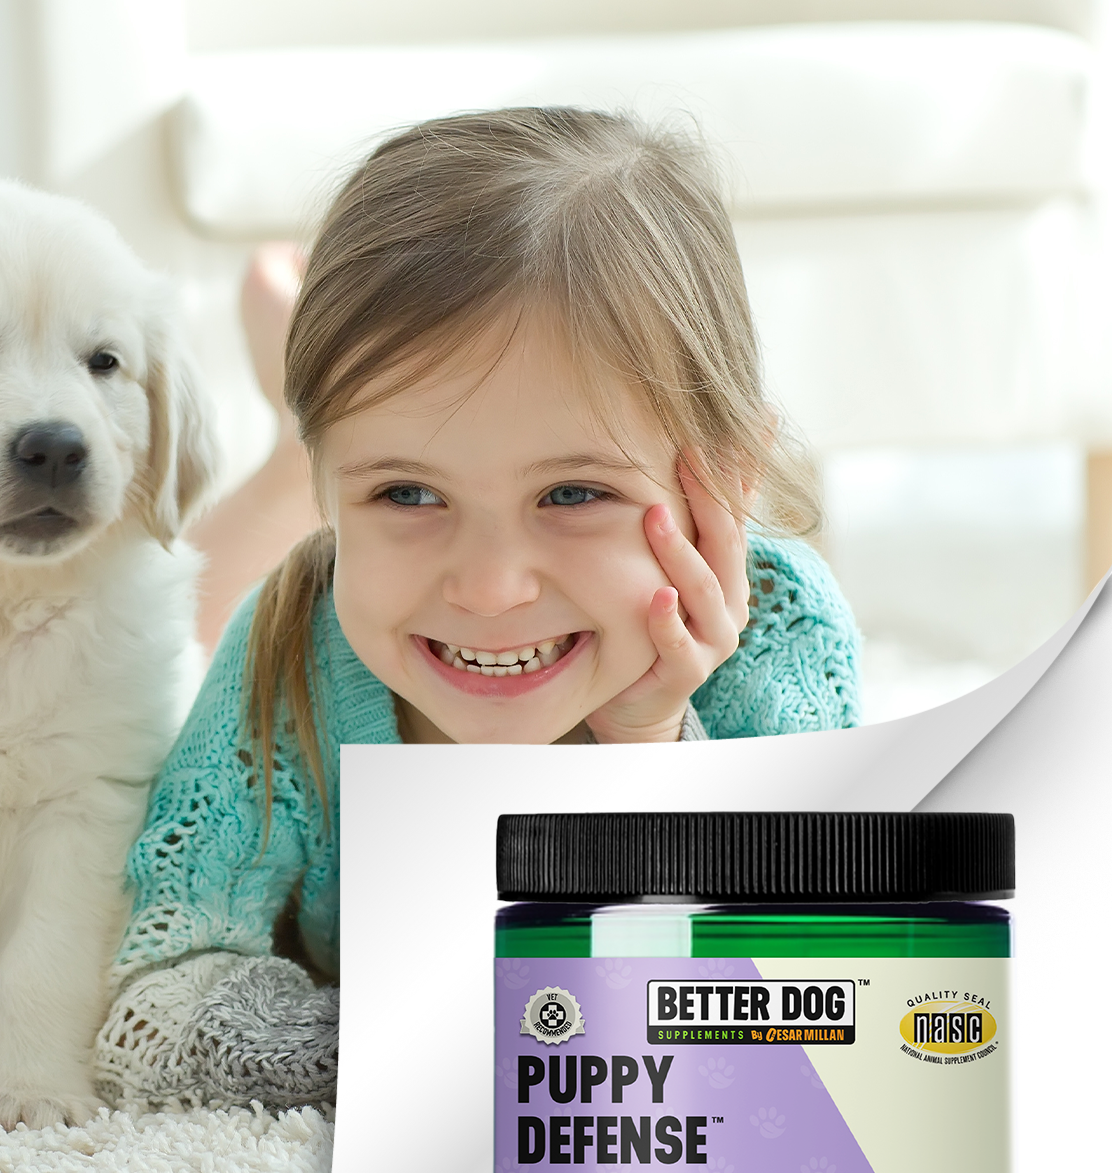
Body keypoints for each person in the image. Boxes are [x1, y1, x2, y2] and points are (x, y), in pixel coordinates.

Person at [92, 107, 860, 1110]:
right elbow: (154, 987)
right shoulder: (293, 647)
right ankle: (298, 439)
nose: (491, 589)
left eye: (573, 495)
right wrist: (419, 1053)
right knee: (143, 626)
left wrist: (649, 746)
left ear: (724, 477)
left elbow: (806, 1018)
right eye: (407, 493)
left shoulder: (781, 639)